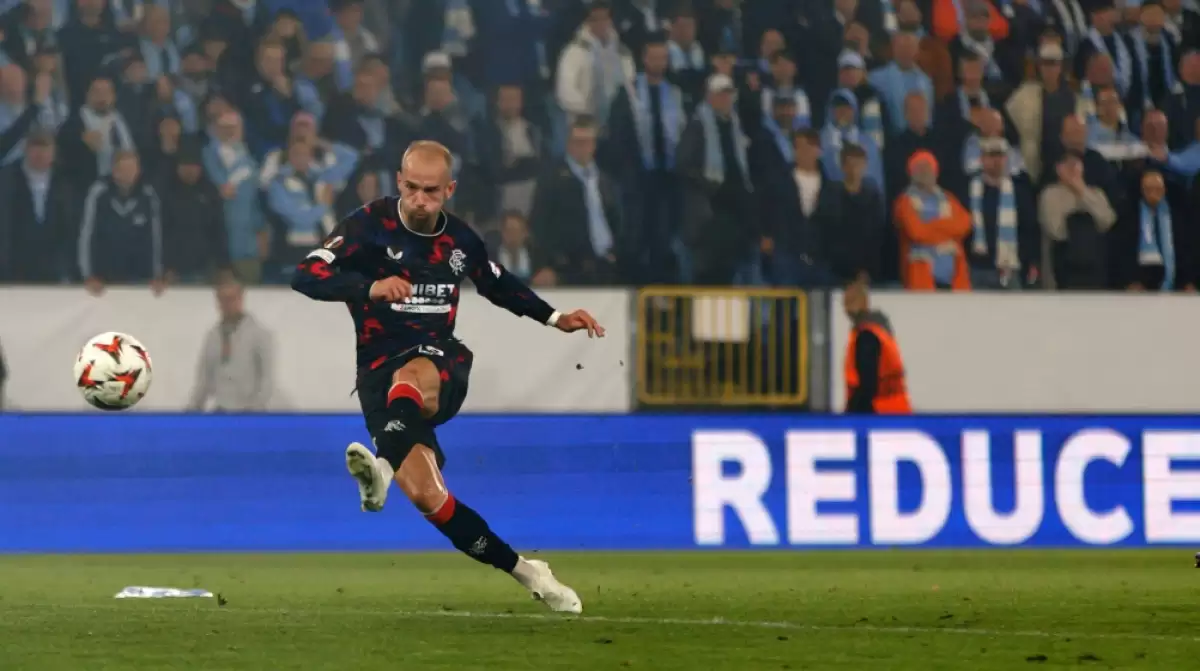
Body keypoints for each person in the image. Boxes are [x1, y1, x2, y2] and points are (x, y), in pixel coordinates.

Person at [291, 140, 603, 614]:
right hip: (376, 373)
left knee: (413, 373)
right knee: (429, 498)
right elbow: (306, 274)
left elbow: (496, 282)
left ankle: (381, 466)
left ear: (449, 190)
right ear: (399, 181)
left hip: (441, 361)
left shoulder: (460, 240)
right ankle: (528, 571)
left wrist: (555, 317)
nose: (420, 200)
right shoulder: (367, 226)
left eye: (431, 191)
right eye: (412, 188)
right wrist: (369, 286)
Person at [186, 279, 275, 411]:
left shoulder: (259, 335)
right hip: (221, 410)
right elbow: (204, 379)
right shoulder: (213, 336)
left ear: (241, 299)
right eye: (222, 300)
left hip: (249, 411)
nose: (227, 304)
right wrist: (192, 409)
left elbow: (267, 381)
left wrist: (254, 411)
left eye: (231, 299)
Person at [843, 281, 912, 414]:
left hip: (881, 412)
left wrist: (851, 415)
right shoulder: (878, 330)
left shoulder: (867, 335)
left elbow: (868, 385)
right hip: (894, 411)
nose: (847, 306)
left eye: (851, 300)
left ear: (864, 302)